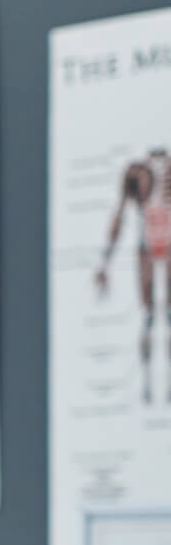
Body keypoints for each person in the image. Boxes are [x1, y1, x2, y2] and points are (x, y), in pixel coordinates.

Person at [93, 147, 171, 402]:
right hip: (146, 247)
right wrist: (105, 261)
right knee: (149, 316)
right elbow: (121, 214)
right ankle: (147, 385)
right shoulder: (136, 173)